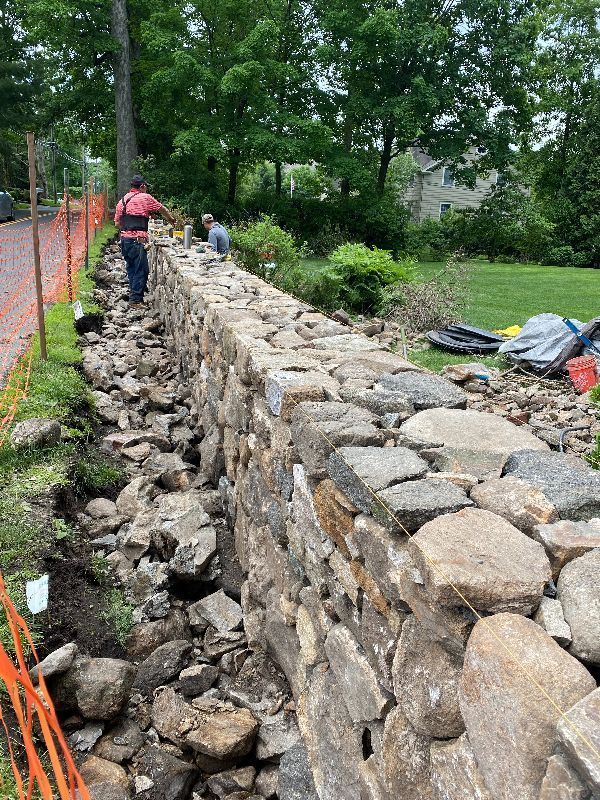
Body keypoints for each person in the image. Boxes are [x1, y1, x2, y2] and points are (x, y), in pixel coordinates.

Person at [114, 175, 176, 308]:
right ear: (142, 186)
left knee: (131, 267)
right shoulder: (145, 197)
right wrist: (171, 219)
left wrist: (129, 228)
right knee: (142, 269)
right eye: (145, 186)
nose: (146, 189)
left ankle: (134, 294)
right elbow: (162, 209)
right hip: (138, 240)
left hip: (125, 239)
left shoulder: (122, 201)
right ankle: (136, 300)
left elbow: (117, 223)